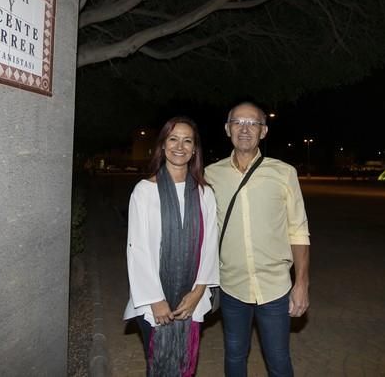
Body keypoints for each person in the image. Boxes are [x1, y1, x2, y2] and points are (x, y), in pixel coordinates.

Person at [205, 102, 310, 377]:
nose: (245, 128)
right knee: (235, 356)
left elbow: (298, 229)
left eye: (253, 123)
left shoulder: (284, 173)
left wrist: (301, 283)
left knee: (278, 360)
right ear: (228, 129)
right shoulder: (210, 175)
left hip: (274, 287)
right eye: (238, 122)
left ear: (263, 132)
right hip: (231, 286)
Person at [124, 116, 219, 376]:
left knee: (186, 364)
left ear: (195, 149)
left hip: (192, 299)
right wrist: (156, 300)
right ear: (163, 146)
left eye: (187, 140)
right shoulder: (144, 191)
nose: (180, 146)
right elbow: (138, 249)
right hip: (153, 300)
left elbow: (210, 246)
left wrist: (199, 292)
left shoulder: (204, 193)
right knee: (158, 362)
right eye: (173, 139)